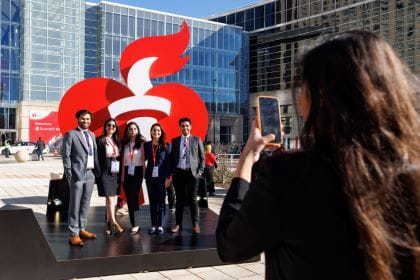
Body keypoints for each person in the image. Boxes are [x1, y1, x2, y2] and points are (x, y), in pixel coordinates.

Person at [216, 31, 420, 280]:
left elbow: (231, 246)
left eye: (304, 87)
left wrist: (248, 156)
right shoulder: (410, 175)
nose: (300, 97)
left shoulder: (288, 176)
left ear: (322, 98)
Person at [62, 109, 100, 246]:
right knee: (75, 205)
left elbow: (94, 154)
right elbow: (66, 156)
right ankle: (73, 234)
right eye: (83, 119)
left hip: (90, 174)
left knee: (85, 204)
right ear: (78, 119)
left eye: (88, 119)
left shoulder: (92, 135)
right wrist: (69, 174)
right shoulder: (71, 134)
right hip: (77, 174)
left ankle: (82, 228)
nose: (86, 121)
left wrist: (96, 173)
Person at [170, 117, 205, 234]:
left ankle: (195, 224)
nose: (185, 128)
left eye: (187, 126)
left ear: (190, 127)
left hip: (192, 174)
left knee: (193, 200)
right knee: (179, 200)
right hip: (179, 173)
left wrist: (199, 172)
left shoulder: (196, 139)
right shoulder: (175, 141)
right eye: (182, 126)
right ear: (180, 127)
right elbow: (171, 159)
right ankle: (178, 224)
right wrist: (171, 173)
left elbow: (202, 157)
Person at [96, 118, 124, 235]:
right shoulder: (99, 140)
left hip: (115, 172)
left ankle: (108, 223)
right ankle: (114, 222)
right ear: (105, 127)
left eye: (113, 126)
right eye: (109, 125)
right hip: (104, 171)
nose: (111, 127)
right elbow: (96, 157)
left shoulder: (118, 141)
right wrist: (97, 173)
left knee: (111, 199)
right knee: (110, 198)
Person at [144, 123, 172, 234]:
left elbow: (169, 163)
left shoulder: (166, 145)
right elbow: (142, 159)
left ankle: (160, 225)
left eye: (158, 131)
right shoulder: (146, 145)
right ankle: (153, 224)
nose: (156, 132)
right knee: (152, 201)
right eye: (154, 130)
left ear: (161, 132)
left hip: (162, 178)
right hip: (150, 177)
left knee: (161, 201)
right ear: (151, 132)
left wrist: (168, 178)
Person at [121, 122, 145, 234]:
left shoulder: (142, 143)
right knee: (129, 198)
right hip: (126, 172)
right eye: (130, 129)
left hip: (137, 171)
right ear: (127, 131)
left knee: (133, 197)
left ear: (138, 130)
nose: (132, 131)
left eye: (135, 129)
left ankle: (135, 224)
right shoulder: (124, 144)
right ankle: (133, 223)